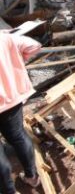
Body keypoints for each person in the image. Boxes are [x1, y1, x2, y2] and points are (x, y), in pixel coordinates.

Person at [0, 31, 42, 194]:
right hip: (11, 97)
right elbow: (34, 45)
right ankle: (32, 176)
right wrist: (18, 59)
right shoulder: (5, 37)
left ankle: (9, 191)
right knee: (18, 135)